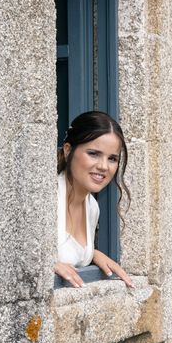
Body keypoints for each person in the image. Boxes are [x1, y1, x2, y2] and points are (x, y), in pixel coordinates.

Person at [54, 111, 134, 289]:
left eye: (112, 158)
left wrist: (93, 254)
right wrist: (46, 267)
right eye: (93, 154)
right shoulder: (48, 198)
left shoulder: (92, 207)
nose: (103, 166)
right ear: (68, 151)